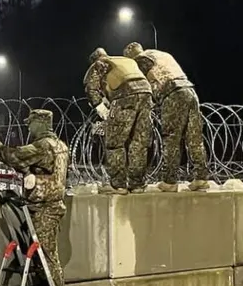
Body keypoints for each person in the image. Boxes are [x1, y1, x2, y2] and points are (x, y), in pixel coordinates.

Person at [0, 109, 69, 286]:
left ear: (42, 123)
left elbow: (16, 156)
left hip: (45, 207)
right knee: (41, 256)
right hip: (51, 204)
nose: (28, 127)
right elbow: (36, 167)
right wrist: (28, 172)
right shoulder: (60, 145)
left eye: (31, 123)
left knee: (46, 256)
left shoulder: (43, 146)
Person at [123, 41, 209, 191]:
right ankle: (201, 178)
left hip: (173, 94)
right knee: (194, 137)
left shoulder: (141, 59)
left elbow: (143, 84)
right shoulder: (160, 54)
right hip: (189, 91)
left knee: (171, 138)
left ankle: (170, 181)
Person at [83, 47, 153, 193]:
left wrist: (99, 107)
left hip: (125, 96)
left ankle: (119, 185)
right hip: (146, 93)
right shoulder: (124, 60)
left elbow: (90, 86)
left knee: (114, 142)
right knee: (139, 142)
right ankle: (137, 184)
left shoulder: (101, 62)